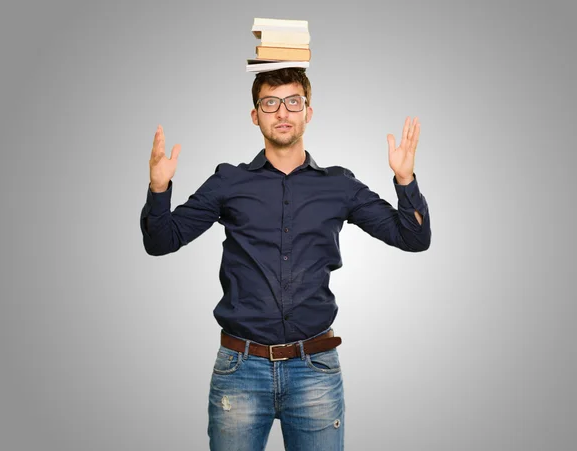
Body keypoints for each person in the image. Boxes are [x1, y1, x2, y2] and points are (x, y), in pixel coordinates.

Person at [140, 67, 431, 451]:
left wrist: (406, 180)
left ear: (307, 112)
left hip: (315, 369)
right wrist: (159, 188)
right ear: (255, 115)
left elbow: (414, 238)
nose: (282, 112)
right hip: (240, 369)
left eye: (293, 102)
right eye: (270, 103)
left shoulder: (339, 185)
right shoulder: (229, 182)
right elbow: (162, 241)